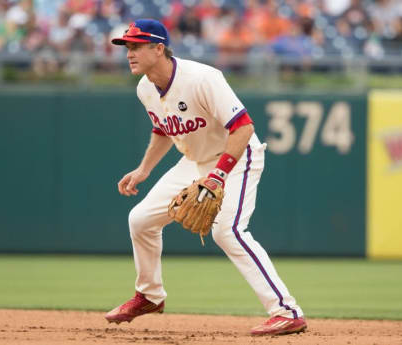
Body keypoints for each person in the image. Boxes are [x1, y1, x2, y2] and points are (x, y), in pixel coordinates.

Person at [105, 18, 307, 336]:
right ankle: (150, 296)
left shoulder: (202, 78)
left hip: (237, 156)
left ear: (159, 48)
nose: (129, 53)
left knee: (227, 231)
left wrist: (218, 176)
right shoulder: (145, 88)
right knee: (140, 219)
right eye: (127, 47)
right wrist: (144, 169)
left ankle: (287, 310)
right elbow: (163, 129)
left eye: (137, 46)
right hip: (195, 161)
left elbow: (244, 128)